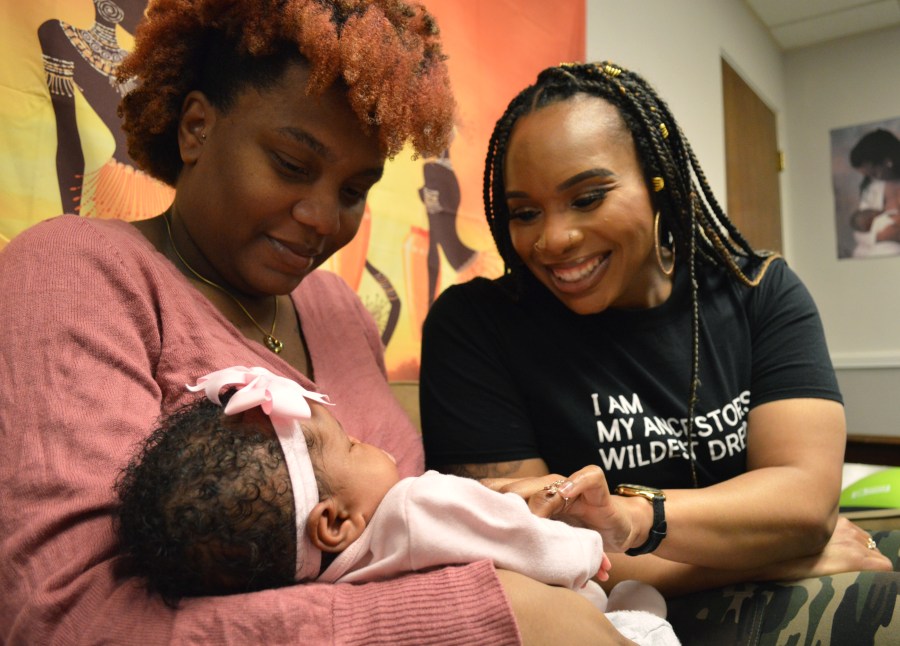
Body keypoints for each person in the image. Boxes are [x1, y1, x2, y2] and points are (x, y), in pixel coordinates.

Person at [0, 3, 636, 643]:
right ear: (196, 127)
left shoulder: (338, 309)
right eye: (292, 165)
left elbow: (377, 532)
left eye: (354, 190)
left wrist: (482, 522)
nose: (323, 217)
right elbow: (71, 622)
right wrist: (497, 613)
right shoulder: (75, 273)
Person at [419, 61, 899, 642]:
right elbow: (530, 551)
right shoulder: (474, 328)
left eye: (587, 197)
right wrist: (767, 555)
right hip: (615, 612)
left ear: (656, 181)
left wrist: (638, 520)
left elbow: (803, 502)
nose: (552, 239)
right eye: (525, 213)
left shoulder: (759, 291)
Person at [116, 365, 681, 645]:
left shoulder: (312, 582)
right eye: (354, 446)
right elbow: (517, 536)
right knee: (639, 610)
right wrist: (581, 550)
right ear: (334, 521)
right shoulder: (413, 506)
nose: (374, 445)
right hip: (573, 621)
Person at [848, 128, 900, 257]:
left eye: (875, 172)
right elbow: (859, 229)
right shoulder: (873, 188)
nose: (873, 177)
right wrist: (881, 236)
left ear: (888, 162)